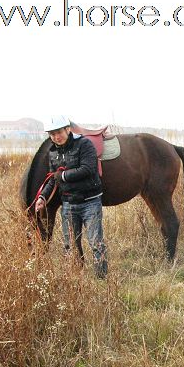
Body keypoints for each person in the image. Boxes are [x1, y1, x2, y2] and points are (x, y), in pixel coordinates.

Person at [35, 115, 108, 278]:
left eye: (58, 132)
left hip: (90, 202)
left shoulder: (84, 144)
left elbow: (88, 169)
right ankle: (76, 278)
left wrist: (63, 176)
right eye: (51, 134)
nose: (56, 137)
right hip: (68, 205)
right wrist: (42, 197)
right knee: (70, 246)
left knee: (96, 243)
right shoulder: (52, 152)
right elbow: (52, 180)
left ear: (68, 129)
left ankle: (101, 279)